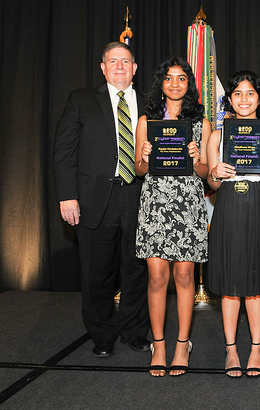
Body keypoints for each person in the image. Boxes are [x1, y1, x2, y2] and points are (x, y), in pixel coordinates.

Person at [54, 41, 150, 357]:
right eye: (113, 61)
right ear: (103, 67)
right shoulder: (81, 100)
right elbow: (64, 152)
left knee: (137, 270)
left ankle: (136, 331)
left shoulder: (151, 104)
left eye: (126, 61)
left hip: (139, 197)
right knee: (97, 272)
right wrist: (67, 196)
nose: (120, 66)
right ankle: (103, 334)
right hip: (94, 200)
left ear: (135, 69)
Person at [206, 70, 260, 378]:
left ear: (259, 99)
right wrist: (216, 171)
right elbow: (211, 183)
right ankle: (231, 351)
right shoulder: (217, 134)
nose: (243, 99)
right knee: (229, 287)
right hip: (229, 209)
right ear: (229, 99)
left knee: (254, 288)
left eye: (250, 93)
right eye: (237, 93)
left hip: (259, 208)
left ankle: (255, 350)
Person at [134, 57, 211, 376]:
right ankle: (159, 344)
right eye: (169, 78)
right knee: (156, 277)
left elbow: (207, 174)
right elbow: (138, 170)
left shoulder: (201, 123)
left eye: (182, 78)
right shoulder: (145, 121)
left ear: (189, 85)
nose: (175, 84)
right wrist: (145, 157)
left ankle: (182, 344)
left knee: (183, 276)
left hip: (187, 205)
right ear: (160, 84)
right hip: (154, 204)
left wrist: (196, 159)